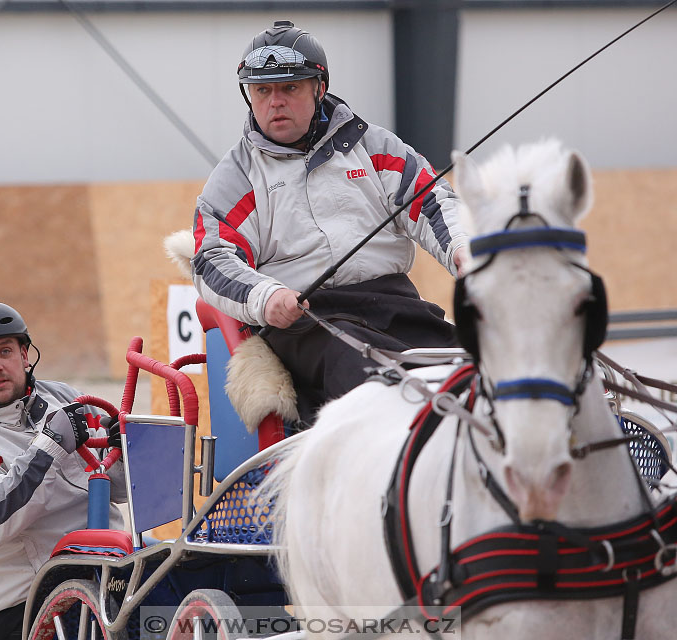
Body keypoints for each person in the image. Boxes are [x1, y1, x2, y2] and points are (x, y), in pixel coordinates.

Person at [192, 20, 471, 424]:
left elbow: (431, 201)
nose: (275, 102)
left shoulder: (375, 146)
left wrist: (463, 250)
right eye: (262, 91)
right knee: (368, 377)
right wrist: (267, 298)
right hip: (305, 321)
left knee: (468, 365)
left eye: (290, 88)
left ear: (319, 88)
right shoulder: (235, 177)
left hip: (396, 304)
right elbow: (212, 258)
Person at [0, 301, 126, 640]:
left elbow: (119, 488)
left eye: (5, 351)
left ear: (24, 354)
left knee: (184, 574)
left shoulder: (65, 398)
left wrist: (125, 449)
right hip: (18, 606)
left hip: (101, 572)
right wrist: (47, 446)